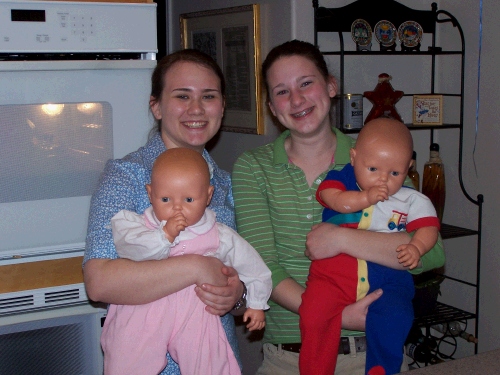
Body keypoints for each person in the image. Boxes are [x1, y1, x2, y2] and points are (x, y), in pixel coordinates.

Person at [231, 40, 445, 375]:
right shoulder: (253, 167)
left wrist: (342, 240)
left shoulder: (379, 154)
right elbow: (261, 267)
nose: (297, 99)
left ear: (331, 86)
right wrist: (337, 315)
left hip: (372, 355)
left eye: (306, 83)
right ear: (272, 106)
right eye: (282, 91)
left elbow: (430, 253)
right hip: (290, 359)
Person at [84, 49, 248, 375]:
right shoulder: (127, 176)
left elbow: (235, 273)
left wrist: (237, 296)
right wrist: (196, 267)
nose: (197, 109)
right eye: (182, 96)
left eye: (209, 96)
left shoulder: (224, 184)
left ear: (222, 106)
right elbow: (99, 282)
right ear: (156, 106)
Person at [101, 148, 272, 375]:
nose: (177, 207)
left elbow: (252, 265)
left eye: (189, 199)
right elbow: (129, 249)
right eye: (165, 199)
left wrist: (256, 303)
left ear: (208, 196)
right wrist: (163, 236)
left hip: (196, 311)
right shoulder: (138, 226)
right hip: (143, 309)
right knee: (128, 359)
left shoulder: (219, 234)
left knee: (209, 361)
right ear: (150, 194)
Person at [299, 118, 440, 375]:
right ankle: (315, 370)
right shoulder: (340, 177)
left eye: (394, 173)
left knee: (397, 316)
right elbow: (332, 198)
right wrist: (365, 198)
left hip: (389, 282)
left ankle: (380, 369)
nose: (382, 180)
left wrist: (417, 247)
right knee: (314, 313)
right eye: (373, 168)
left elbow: (429, 229)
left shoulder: (411, 198)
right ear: (353, 158)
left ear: (408, 168)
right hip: (333, 277)